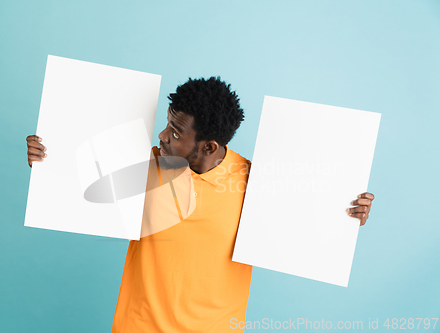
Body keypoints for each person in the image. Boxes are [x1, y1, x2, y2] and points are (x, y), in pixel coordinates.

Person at [26, 77, 375, 332]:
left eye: (176, 132)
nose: (162, 136)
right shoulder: (144, 165)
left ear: (208, 146)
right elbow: (78, 181)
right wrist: (46, 156)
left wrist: (347, 214)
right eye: (167, 124)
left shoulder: (258, 183)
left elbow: (310, 226)